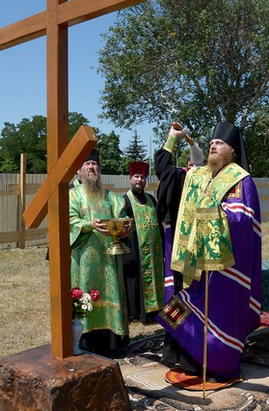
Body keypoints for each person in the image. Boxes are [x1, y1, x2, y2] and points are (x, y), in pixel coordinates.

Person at [156, 122, 261, 380]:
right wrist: (171, 140)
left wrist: (215, 214)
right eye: (212, 143)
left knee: (216, 311)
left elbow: (242, 219)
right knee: (184, 305)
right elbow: (167, 175)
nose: (213, 146)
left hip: (221, 265)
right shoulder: (199, 175)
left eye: (220, 144)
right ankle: (187, 360)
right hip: (192, 259)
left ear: (232, 151)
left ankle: (216, 363)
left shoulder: (240, 179)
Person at [69, 149, 131, 355]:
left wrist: (124, 229)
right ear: (78, 171)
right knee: (85, 295)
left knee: (110, 292)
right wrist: (89, 225)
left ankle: (111, 342)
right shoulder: (73, 195)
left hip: (108, 259)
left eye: (94, 164)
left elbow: (120, 217)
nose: (91, 167)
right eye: (86, 164)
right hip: (84, 258)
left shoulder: (111, 197)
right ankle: (84, 341)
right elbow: (70, 222)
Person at [154, 123, 205, 304]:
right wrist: (172, 137)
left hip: (201, 240)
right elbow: (163, 168)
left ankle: (194, 325)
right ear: (187, 165)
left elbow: (162, 166)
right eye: (191, 166)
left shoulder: (212, 180)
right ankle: (179, 328)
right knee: (178, 282)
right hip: (178, 235)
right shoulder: (180, 176)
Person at [122, 161, 164, 324]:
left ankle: (156, 311)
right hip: (136, 252)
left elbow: (159, 224)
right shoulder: (125, 201)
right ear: (130, 178)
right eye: (136, 177)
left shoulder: (151, 199)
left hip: (155, 253)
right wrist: (127, 255)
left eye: (142, 177)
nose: (139, 180)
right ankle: (140, 313)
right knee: (137, 282)